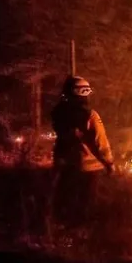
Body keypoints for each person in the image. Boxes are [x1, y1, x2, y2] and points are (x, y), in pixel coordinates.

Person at [51, 76, 114, 235]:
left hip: (65, 164)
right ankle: (81, 233)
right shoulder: (90, 115)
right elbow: (100, 141)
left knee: (67, 198)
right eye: (85, 91)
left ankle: (63, 230)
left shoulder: (58, 113)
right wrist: (109, 162)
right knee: (85, 202)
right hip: (87, 165)